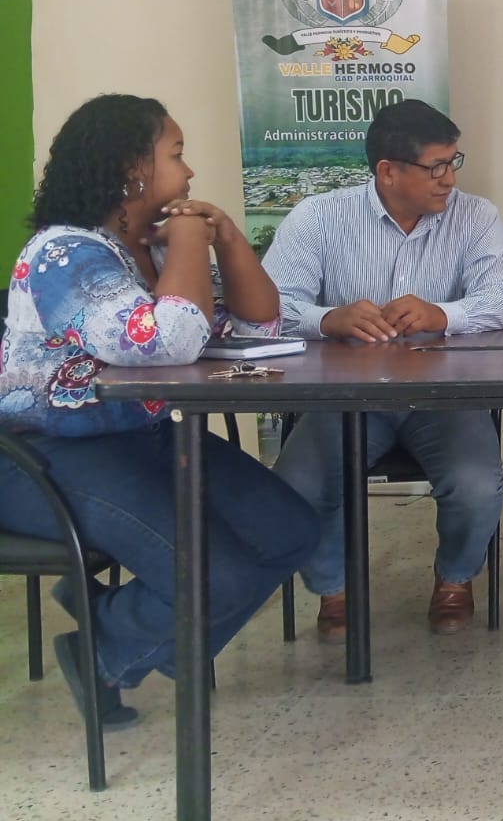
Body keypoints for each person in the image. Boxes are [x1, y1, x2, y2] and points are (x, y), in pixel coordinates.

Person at [0, 94, 317, 729]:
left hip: (138, 437)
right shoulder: (64, 254)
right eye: (176, 154)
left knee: (290, 531)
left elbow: (260, 324)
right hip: (46, 455)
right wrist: (191, 241)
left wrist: (226, 238)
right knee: (215, 579)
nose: (190, 170)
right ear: (131, 167)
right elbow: (165, 342)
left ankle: (114, 629)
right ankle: (109, 653)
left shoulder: (149, 248)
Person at [265, 100, 503, 640]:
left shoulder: (477, 217)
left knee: (477, 485)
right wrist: (327, 319)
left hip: (444, 396)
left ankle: (454, 579)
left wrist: (442, 315)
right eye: (437, 166)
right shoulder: (318, 217)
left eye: (454, 162)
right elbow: (270, 310)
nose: (450, 178)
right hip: (346, 397)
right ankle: (334, 589)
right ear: (388, 171)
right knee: (299, 486)